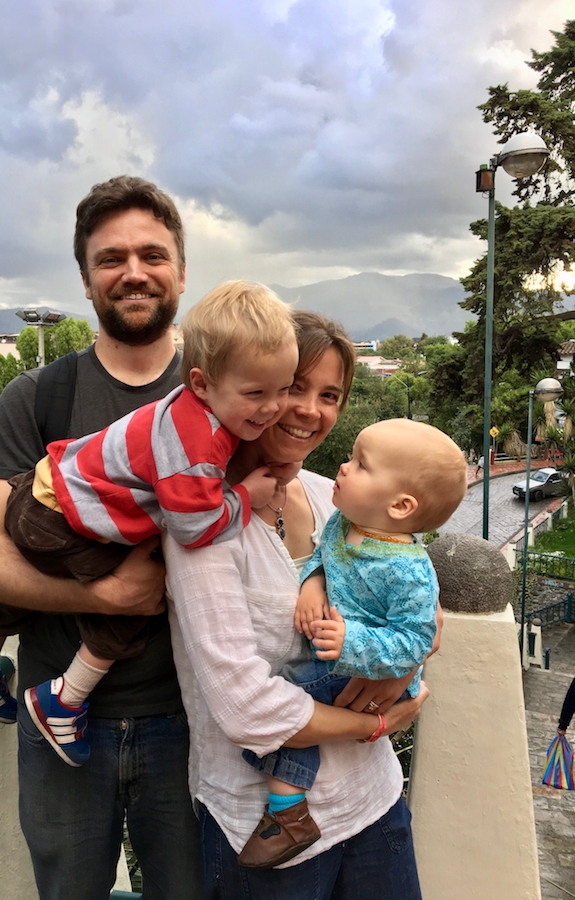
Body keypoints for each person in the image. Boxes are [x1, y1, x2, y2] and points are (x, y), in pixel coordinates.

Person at [0, 175, 203, 900]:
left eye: (152, 255)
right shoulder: (37, 397)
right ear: (88, 280)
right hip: (58, 720)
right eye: (110, 258)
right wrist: (105, 591)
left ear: (181, 271)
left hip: (192, 720)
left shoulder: (219, 398)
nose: (133, 272)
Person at [0, 281, 297, 768]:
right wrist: (244, 496)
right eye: (256, 393)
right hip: (62, 521)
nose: (273, 408)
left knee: (22, 584)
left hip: (42, 495)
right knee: (132, 601)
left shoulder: (190, 407)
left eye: (284, 390)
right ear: (200, 383)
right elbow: (193, 527)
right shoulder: (197, 441)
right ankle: (63, 699)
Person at [165, 311, 431, 899]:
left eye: (329, 394)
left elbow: (415, 606)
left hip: (373, 803)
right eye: (293, 388)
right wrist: (376, 723)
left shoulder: (331, 497)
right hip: (265, 834)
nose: (310, 409)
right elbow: (247, 713)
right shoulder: (203, 526)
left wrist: (406, 667)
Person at [238, 418, 467, 868]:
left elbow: (416, 638)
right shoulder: (346, 521)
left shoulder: (408, 570)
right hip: (345, 660)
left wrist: (351, 640)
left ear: (400, 506)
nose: (343, 468)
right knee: (291, 695)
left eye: (360, 465)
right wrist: (313, 586)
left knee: (286, 701)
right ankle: (291, 810)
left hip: (373, 667)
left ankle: (289, 813)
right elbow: (324, 557)